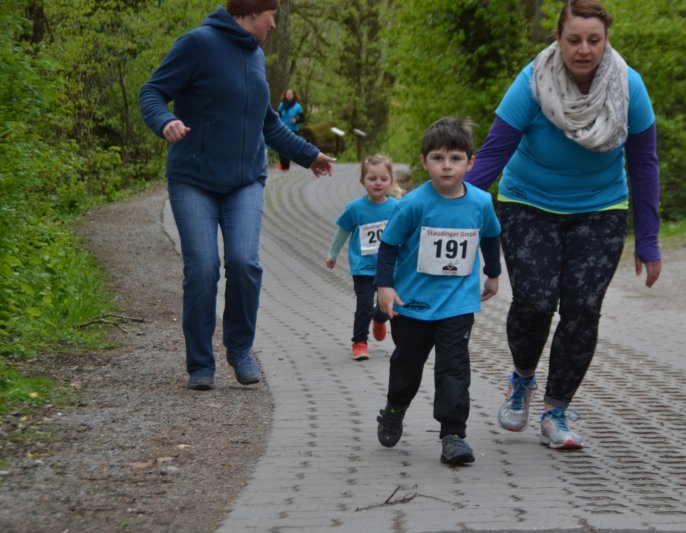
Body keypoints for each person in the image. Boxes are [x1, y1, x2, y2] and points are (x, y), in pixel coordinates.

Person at [464, 0, 662, 449]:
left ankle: (556, 409)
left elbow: (644, 163)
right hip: (528, 202)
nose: (584, 49)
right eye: (574, 39)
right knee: (534, 303)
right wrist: (445, 208)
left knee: (583, 309)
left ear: (606, 40)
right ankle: (522, 378)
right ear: (559, 39)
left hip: (601, 208)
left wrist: (648, 240)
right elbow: (493, 153)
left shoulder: (628, 86)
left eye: (594, 40)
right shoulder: (532, 83)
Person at [139, 0, 335, 391]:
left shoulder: (255, 55)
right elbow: (152, 92)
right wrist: (165, 121)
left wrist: (308, 155)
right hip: (194, 179)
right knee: (203, 268)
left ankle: (240, 349)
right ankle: (200, 363)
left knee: (244, 263)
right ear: (252, 11)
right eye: (271, 15)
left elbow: (267, 122)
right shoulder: (198, 44)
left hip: (244, 180)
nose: (274, 24)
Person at [374, 117, 502, 465]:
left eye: (455, 158)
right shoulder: (413, 204)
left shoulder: (481, 202)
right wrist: (384, 287)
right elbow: (388, 246)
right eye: (438, 158)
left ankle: (453, 435)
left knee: (454, 369)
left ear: (470, 162)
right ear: (424, 161)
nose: (447, 166)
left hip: (457, 304)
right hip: (412, 304)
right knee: (407, 366)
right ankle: (395, 407)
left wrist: (492, 274)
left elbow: (491, 236)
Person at [325, 155, 403, 361]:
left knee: (388, 305)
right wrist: (332, 253)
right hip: (363, 267)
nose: (378, 183)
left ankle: (380, 319)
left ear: (391, 181)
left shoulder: (397, 207)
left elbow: (405, 234)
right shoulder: (355, 208)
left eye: (383, 179)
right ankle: (359, 342)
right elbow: (343, 231)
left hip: (390, 267)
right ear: (363, 181)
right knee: (364, 305)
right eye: (372, 178)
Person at [276, 88, 304, 171]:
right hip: (282, 129)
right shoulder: (281, 105)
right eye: (287, 94)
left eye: (290, 94)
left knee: (288, 148)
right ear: (285, 95)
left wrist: (296, 120)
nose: (288, 95)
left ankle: (286, 166)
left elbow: (302, 119)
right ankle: (283, 164)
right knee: (280, 147)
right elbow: (278, 117)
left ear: (293, 96)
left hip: (292, 130)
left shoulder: (297, 106)